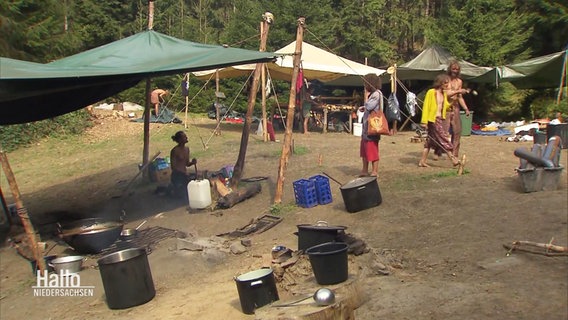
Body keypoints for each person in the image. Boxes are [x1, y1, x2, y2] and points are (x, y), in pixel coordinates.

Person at [418, 74, 460, 168]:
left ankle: (422, 161)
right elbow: (426, 107)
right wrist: (424, 121)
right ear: (440, 83)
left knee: (429, 141)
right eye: (446, 83)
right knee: (443, 138)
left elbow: (445, 106)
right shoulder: (431, 92)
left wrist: (453, 102)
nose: (447, 85)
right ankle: (453, 159)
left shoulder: (444, 94)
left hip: (439, 119)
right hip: (432, 120)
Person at [444, 61, 471, 158]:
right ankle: (439, 151)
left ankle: (454, 154)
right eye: (453, 69)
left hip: (455, 107)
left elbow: (459, 97)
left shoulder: (459, 81)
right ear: (450, 69)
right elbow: (446, 94)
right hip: (445, 108)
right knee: (444, 132)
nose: (454, 71)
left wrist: (466, 109)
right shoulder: (445, 80)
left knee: (457, 132)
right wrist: (459, 90)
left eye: (456, 69)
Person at [358, 74, 383, 177]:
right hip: (366, 127)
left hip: (373, 126)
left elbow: (369, 106)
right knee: (364, 149)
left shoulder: (376, 94)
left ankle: (374, 171)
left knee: (372, 149)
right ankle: (364, 170)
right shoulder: (373, 94)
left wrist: (365, 97)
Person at [170, 131, 197, 196]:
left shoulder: (187, 149)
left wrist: (193, 162)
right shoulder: (175, 151)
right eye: (184, 137)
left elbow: (187, 164)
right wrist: (183, 174)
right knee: (183, 194)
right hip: (177, 176)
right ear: (179, 140)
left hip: (184, 175)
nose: (186, 137)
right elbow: (173, 167)